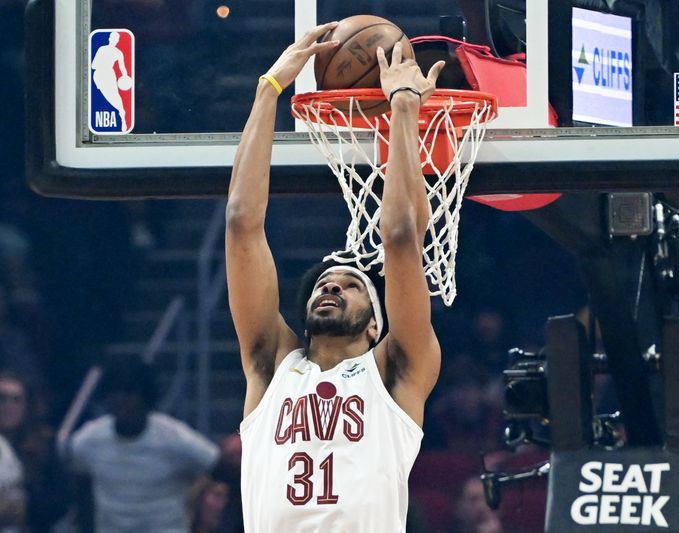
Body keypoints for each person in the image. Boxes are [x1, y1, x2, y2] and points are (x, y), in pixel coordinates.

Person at [225, 21, 445, 532]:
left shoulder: (397, 371)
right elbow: (241, 221)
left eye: (350, 285)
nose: (331, 286)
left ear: (376, 326)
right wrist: (268, 89)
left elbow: (399, 235)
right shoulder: (271, 365)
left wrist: (404, 110)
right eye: (326, 283)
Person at [65, 356, 219, 533]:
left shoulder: (176, 438)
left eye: (130, 393)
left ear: (146, 397)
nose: (122, 401)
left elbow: (219, 467)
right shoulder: (87, 441)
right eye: (115, 393)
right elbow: (83, 498)